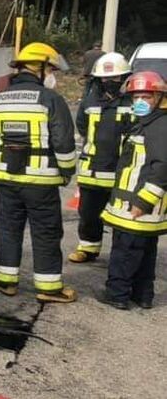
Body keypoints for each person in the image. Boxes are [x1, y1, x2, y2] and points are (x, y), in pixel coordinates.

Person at [0, 42, 78, 303]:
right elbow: (64, 142)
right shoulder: (51, 100)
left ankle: (6, 281)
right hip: (41, 182)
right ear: (40, 68)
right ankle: (48, 287)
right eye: (50, 69)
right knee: (45, 232)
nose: (52, 74)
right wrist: (67, 170)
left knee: (9, 229)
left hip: (6, 180)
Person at [98, 71, 167, 310]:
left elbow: (162, 166)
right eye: (136, 96)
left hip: (137, 206)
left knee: (125, 252)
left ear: (159, 98)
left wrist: (143, 201)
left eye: (146, 96)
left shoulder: (159, 126)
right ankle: (143, 295)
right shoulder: (146, 123)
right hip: (138, 206)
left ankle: (117, 294)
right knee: (145, 253)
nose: (139, 101)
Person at [68, 52, 133, 263]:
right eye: (105, 78)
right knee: (88, 213)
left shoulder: (133, 102)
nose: (110, 82)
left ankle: (120, 255)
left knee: (120, 217)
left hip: (121, 171)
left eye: (115, 78)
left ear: (124, 78)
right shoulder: (90, 100)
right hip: (92, 170)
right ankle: (88, 248)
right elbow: (82, 126)